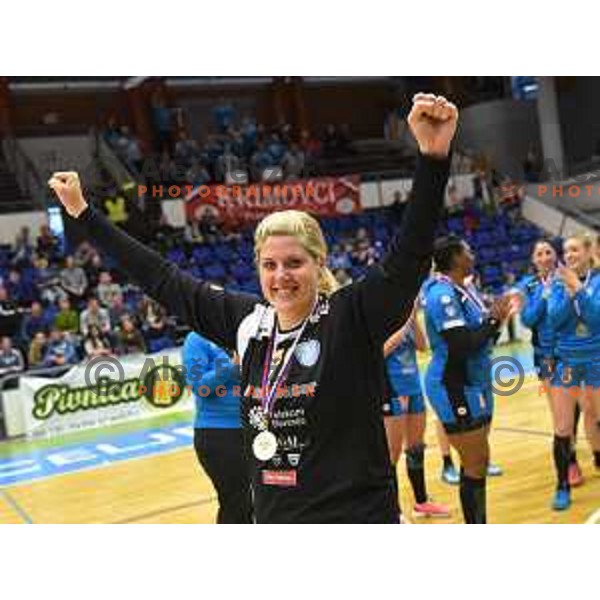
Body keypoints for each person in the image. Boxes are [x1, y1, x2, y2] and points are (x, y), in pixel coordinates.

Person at [49, 93, 457, 524]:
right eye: (270, 264)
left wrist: (432, 159)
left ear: (319, 265)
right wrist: (82, 214)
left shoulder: (350, 316)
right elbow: (161, 278)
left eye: (295, 263)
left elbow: (408, 255)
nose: (281, 275)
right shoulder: (248, 322)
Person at [422, 236, 515, 523]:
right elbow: (461, 344)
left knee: (478, 462)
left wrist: (495, 322)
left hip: (475, 380)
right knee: (475, 463)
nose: (472, 254)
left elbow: (482, 341)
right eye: (467, 250)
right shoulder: (442, 295)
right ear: (455, 258)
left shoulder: (462, 289)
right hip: (454, 384)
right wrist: (492, 321)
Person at [517, 239, 584, 488]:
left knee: (581, 406)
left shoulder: (565, 278)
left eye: (548, 252)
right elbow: (527, 320)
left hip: (572, 351)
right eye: (539, 254)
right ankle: (571, 461)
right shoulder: (527, 286)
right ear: (534, 260)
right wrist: (544, 298)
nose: (544, 257)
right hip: (546, 358)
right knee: (561, 413)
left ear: (555, 256)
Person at [546, 232, 600, 511]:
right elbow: (555, 320)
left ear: (589, 252)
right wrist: (568, 293)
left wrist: (578, 289)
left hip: (596, 360)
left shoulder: (598, 281)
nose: (569, 255)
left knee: (597, 416)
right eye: (566, 251)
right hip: (567, 362)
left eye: (575, 250)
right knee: (563, 426)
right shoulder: (557, 284)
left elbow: (596, 318)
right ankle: (562, 485)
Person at [383, 306, 451, 519]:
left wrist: (413, 318)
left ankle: (421, 503)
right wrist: (404, 326)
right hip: (392, 389)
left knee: (415, 448)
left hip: (413, 386)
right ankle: (393, 512)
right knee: (391, 455)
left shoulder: (408, 317)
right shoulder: (381, 317)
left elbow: (423, 346)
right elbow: (381, 351)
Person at [183, 332, 253, 524]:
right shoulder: (197, 339)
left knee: (258, 502)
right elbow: (199, 385)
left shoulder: (242, 332)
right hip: (218, 433)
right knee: (238, 503)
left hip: (252, 428)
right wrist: (232, 366)